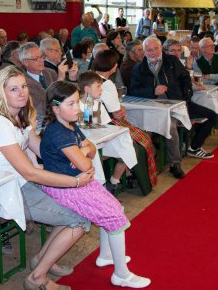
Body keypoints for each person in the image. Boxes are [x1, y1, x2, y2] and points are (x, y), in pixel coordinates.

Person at [0, 66, 93, 290]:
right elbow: (29, 171)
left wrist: (74, 151)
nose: (22, 92)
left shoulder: (19, 115)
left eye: (23, 86)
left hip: (23, 184)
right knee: (80, 220)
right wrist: (76, 180)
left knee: (77, 209)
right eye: (14, 89)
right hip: (6, 192)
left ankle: (42, 260)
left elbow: (43, 152)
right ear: (1, 93)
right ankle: (36, 278)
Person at [41, 80, 151, 288]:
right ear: (56, 108)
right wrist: (83, 154)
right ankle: (121, 274)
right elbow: (84, 162)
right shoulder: (58, 132)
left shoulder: (69, 125)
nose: (78, 108)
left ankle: (106, 255)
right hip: (66, 188)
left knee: (116, 208)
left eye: (77, 102)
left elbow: (90, 148)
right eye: (71, 104)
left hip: (78, 183)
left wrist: (82, 152)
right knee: (115, 216)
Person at [131, 37, 215, 179]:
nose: (153, 52)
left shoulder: (172, 61)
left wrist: (185, 99)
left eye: (156, 49)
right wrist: (153, 91)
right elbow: (133, 91)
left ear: (161, 49)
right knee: (167, 126)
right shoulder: (139, 68)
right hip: (151, 109)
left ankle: (174, 163)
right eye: (149, 50)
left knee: (171, 125)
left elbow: (185, 79)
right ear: (144, 52)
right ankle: (162, 162)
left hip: (176, 106)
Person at [91, 53, 158, 195]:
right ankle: (115, 181)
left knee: (137, 139)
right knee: (141, 142)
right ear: (114, 67)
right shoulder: (106, 83)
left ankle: (126, 174)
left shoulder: (88, 77)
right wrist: (118, 109)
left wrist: (118, 109)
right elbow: (116, 112)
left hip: (94, 123)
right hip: (106, 125)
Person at [19, 42, 77, 129]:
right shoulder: (23, 83)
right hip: (42, 125)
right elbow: (43, 108)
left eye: (42, 56)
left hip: (63, 118)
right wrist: (60, 80)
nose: (41, 60)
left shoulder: (50, 72)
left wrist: (72, 78)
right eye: (36, 58)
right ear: (25, 62)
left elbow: (69, 97)